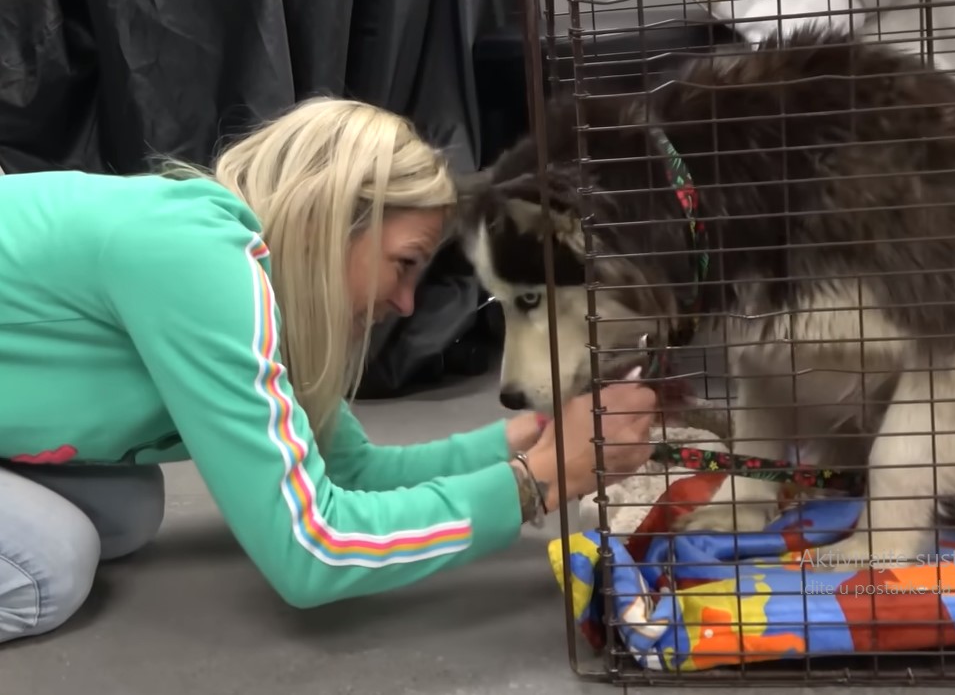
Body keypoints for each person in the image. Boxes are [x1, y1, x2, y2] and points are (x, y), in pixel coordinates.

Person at [0, 98, 660, 644]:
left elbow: (348, 472)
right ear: (330, 221)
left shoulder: (245, 281)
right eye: (404, 264)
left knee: (124, 510)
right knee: (48, 567)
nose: (405, 305)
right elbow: (314, 552)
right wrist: (538, 481)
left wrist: (512, 445)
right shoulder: (195, 258)